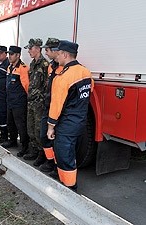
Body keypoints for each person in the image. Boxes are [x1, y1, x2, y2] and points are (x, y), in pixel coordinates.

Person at [47, 40, 93, 191]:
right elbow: (90, 89)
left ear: (65, 54)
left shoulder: (63, 77)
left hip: (67, 122)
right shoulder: (85, 71)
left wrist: (50, 127)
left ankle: (69, 187)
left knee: (63, 154)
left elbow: (56, 104)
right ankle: (69, 183)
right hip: (80, 120)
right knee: (70, 151)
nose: (56, 57)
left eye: (59, 53)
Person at [37, 38, 63, 175]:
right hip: (48, 107)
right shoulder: (51, 66)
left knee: (57, 140)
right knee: (44, 136)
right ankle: (50, 161)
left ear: (54, 51)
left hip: (58, 109)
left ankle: (57, 167)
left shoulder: (64, 67)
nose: (45, 52)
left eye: (47, 50)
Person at [22, 38, 49, 161]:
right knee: (30, 128)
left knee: (39, 130)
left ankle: (41, 154)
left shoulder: (45, 65)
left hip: (39, 103)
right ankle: (33, 150)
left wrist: (42, 100)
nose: (29, 51)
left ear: (38, 48)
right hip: (31, 101)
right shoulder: (32, 64)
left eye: (30, 48)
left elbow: (47, 86)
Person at [1, 46, 30, 157]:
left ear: (18, 55)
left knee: (21, 125)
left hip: (19, 102)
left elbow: (27, 86)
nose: (9, 56)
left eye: (12, 54)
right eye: (9, 54)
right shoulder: (10, 67)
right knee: (10, 123)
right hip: (10, 101)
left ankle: (24, 146)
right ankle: (12, 140)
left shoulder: (23, 68)